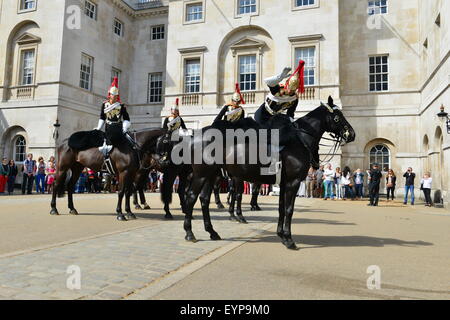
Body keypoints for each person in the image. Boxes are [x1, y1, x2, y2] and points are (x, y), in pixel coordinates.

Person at [95, 77, 134, 158]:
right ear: (110, 95)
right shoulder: (104, 105)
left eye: (116, 95)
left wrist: (125, 127)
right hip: (108, 127)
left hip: (118, 127)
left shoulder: (121, 106)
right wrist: (98, 127)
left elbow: (126, 118)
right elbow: (102, 117)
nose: (115, 97)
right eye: (113, 95)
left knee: (128, 141)